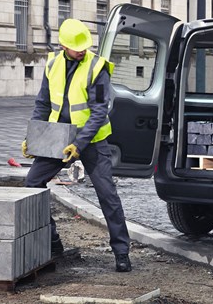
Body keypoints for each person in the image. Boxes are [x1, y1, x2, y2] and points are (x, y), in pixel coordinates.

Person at [22, 19, 132, 272]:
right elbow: (42, 104)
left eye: (84, 46)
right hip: (57, 137)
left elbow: (98, 112)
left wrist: (79, 144)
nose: (81, 51)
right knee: (32, 184)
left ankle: (122, 252)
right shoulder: (52, 64)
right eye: (76, 47)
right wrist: (32, 138)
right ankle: (53, 242)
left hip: (92, 140)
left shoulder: (97, 67)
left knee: (107, 195)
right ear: (63, 45)